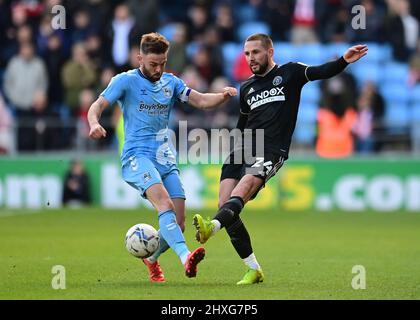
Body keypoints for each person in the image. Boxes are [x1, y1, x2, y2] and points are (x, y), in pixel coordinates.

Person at [193, 33, 368, 285]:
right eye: (246, 54)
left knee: (241, 191)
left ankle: (212, 228)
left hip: (271, 149)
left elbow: (322, 71)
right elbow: (242, 124)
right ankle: (253, 269)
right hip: (243, 148)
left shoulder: (290, 73)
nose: (250, 58)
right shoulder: (247, 88)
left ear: (270, 52)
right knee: (225, 203)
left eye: (255, 52)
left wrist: (344, 61)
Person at [87, 32, 237, 282]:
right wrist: (93, 122)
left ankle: (152, 259)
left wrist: (222, 96)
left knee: (178, 224)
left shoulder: (171, 82)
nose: (158, 69)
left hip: (165, 156)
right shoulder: (125, 81)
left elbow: (199, 100)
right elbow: (98, 105)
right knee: (164, 204)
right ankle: (186, 257)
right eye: (153, 64)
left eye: (163, 63)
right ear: (140, 59)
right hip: (137, 156)